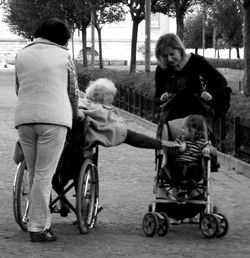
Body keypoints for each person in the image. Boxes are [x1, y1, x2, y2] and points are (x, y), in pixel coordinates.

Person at [14, 18, 84, 242]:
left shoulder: (21, 55)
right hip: (54, 119)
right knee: (45, 175)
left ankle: (41, 224)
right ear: (62, 38)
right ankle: (38, 228)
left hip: (24, 119)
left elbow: (19, 87)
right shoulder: (65, 57)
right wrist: (77, 114)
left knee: (34, 173)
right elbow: (72, 92)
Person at [154, 33, 229, 123]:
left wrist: (210, 94)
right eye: (165, 56)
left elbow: (221, 81)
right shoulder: (161, 69)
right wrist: (162, 98)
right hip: (172, 121)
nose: (169, 59)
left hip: (197, 119)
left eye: (172, 54)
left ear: (179, 49)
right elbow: (157, 97)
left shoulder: (197, 62)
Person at [160, 115, 216, 224]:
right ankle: (179, 189)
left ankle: (191, 183)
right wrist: (179, 150)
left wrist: (207, 149)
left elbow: (212, 149)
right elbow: (170, 153)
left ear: (194, 131)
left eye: (183, 128)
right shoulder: (180, 140)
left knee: (195, 168)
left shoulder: (202, 142)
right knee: (173, 168)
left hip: (192, 166)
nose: (181, 131)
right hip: (179, 165)